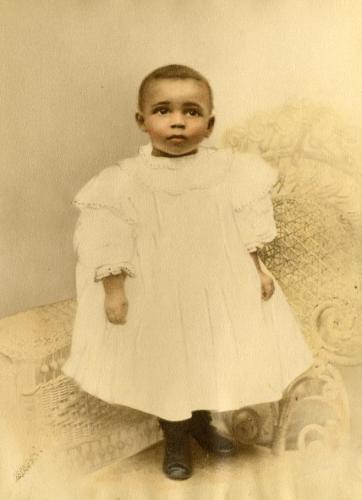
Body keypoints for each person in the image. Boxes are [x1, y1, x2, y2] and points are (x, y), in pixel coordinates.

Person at [63, 64, 313, 480]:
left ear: (210, 124)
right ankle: (175, 437)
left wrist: (259, 271)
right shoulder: (121, 180)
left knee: (207, 355)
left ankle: (200, 422)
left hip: (213, 285)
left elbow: (244, 229)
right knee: (169, 363)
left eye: (192, 112)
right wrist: (114, 290)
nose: (178, 121)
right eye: (163, 111)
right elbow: (107, 239)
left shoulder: (229, 172)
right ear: (142, 120)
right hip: (155, 291)